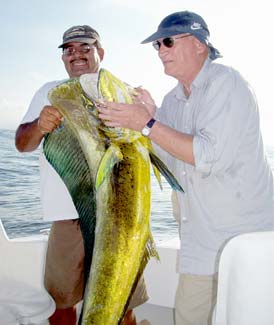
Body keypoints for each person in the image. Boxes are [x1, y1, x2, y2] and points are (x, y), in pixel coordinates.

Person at [97, 11, 274, 325]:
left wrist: (148, 122)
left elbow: (207, 155)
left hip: (244, 244)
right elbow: (168, 151)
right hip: (199, 246)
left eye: (167, 42)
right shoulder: (172, 101)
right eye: (157, 46)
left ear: (199, 45)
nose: (161, 51)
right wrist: (152, 116)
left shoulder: (227, 83)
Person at [15, 25, 148, 325]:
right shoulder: (49, 92)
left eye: (85, 48)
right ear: (63, 58)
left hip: (119, 221)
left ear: (100, 52)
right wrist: (39, 125)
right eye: (69, 50)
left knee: (123, 305)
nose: (76, 55)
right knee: (62, 303)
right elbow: (22, 144)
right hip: (68, 218)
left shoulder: (122, 93)